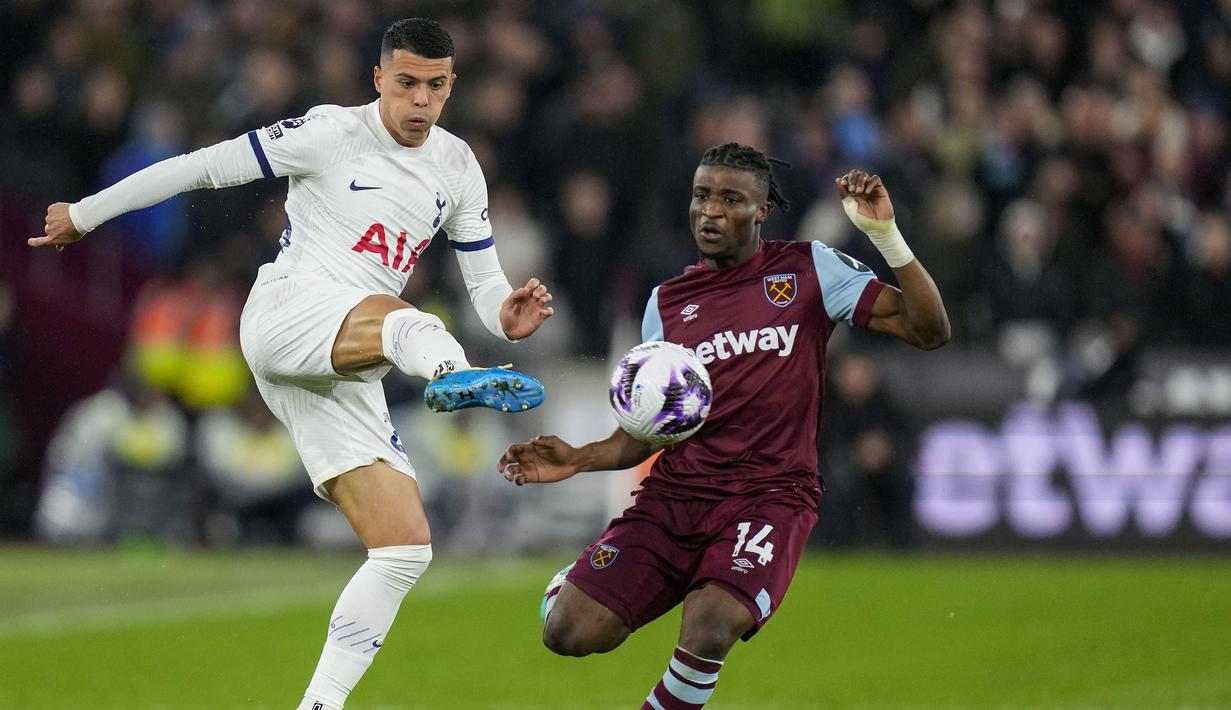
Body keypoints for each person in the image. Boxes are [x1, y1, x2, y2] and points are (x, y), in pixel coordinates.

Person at [30, 18, 554, 710]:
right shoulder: (329, 132)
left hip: (352, 358)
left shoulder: (458, 166)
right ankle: (448, 375)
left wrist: (505, 317)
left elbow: (485, 286)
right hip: (290, 312)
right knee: (414, 322)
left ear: (451, 86)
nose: (419, 101)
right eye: (405, 84)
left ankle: (318, 705)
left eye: (434, 87)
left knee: (403, 548)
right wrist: (87, 214)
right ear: (378, 80)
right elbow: (201, 166)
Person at [498, 143, 948, 709]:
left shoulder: (809, 269)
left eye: (730, 199)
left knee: (710, 625)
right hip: (676, 497)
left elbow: (929, 329)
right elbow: (648, 429)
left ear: (761, 211)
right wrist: (578, 458)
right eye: (701, 195)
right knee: (568, 633)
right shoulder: (666, 303)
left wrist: (887, 239)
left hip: (770, 496)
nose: (710, 211)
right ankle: (580, 580)